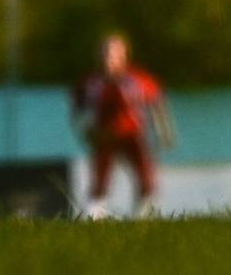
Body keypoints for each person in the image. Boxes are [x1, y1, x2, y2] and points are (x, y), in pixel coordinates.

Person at [70, 34, 174, 217]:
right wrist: (84, 131)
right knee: (101, 178)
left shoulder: (137, 79)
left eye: (113, 55)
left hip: (132, 135)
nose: (108, 60)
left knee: (146, 176)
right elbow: (78, 110)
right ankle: (95, 214)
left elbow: (156, 103)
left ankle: (143, 213)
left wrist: (164, 132)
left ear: (123, 56)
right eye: (104, 55)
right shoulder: (91, 82)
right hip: (104, 136)